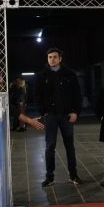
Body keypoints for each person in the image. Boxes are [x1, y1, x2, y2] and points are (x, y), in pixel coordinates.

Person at [34, 48, 82, 186]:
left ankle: (73, 175)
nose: (52, 59)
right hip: (50, 117)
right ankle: (50, 176)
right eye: (50, 57)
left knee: (70, 147)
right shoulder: (42, 76)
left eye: (55, 57)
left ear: (60, 59)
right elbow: (37, 95)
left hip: (67, 116)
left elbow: (77, 94)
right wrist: (44, 111)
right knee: (50, 147)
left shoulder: (70, 74)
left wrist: (75, 112)